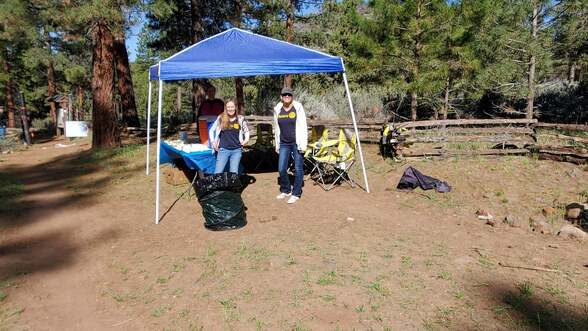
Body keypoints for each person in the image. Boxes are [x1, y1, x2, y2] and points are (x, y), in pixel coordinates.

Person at [273, 87, 308, 204]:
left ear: (292, 96)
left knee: (298, 168)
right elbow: (276, 128)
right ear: (281, 97)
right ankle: (286, 189)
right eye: (284, 95)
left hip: (296, 143)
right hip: (283, 143)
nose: (287, 96)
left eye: (289, 95)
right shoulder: (278, 109)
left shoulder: (297, 108)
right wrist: (276, 143)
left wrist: (303, 144)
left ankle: (296, 193)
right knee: (281, 168)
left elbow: (303, 126)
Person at [212, 98, 249, 174]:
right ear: (226, 108)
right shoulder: (221, 118)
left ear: (235, 107)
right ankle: (219, 186)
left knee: (233, 175)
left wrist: (246, 140)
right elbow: (211, 130)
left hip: (236, 151)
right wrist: (213, 142)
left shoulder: (240, 119)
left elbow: (246, 131)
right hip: (223, 150)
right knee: (218, 173)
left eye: (232, 107)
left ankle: (232, 186)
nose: (230, 109)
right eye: (228, 107)